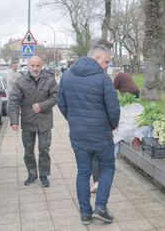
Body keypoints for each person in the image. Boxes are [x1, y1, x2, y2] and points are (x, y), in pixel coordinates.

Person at [57, 45, 120, 225]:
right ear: (97, 58)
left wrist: (74, 120)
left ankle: (85, 214)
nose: (107, 65)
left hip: (78, 134)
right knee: (108, 167)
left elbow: (61, 103)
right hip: (101, 135)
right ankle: (100, 207)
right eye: (106, 61)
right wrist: (113, 125)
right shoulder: (103, 79)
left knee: (83, 172)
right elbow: (113, 108)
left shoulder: (67, 75)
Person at [8, 56, 58, 187]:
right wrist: (14, 120)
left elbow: (55, 97)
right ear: (28, 66)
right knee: (28, 151)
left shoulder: (50, 81)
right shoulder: (20, 82)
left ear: (42, 66)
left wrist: (42, 106)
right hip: (28, 121)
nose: (35, 68)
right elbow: (13, 102)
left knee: (44, 149)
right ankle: (32, 174)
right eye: (33, 66)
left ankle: (44, 175)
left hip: (45, 122)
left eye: (38, 66)